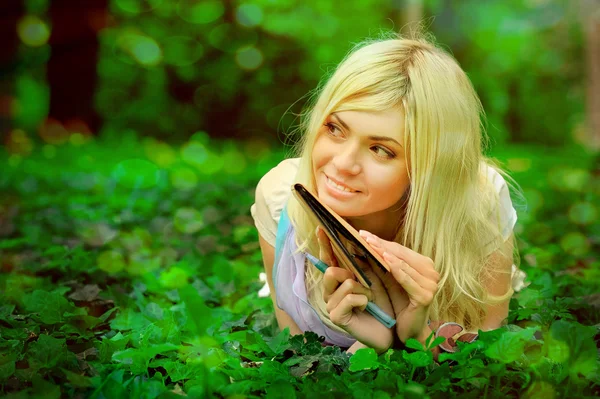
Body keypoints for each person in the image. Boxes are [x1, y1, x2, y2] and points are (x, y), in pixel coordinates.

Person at [250, 32, 526, 356]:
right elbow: (293, 350)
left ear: (428, 169)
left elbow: (488, 353)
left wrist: (412, 336)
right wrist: (372, 348)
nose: (342, 163)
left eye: (381, 150)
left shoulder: (480, 202)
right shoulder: (281, 198)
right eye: (335, 129)